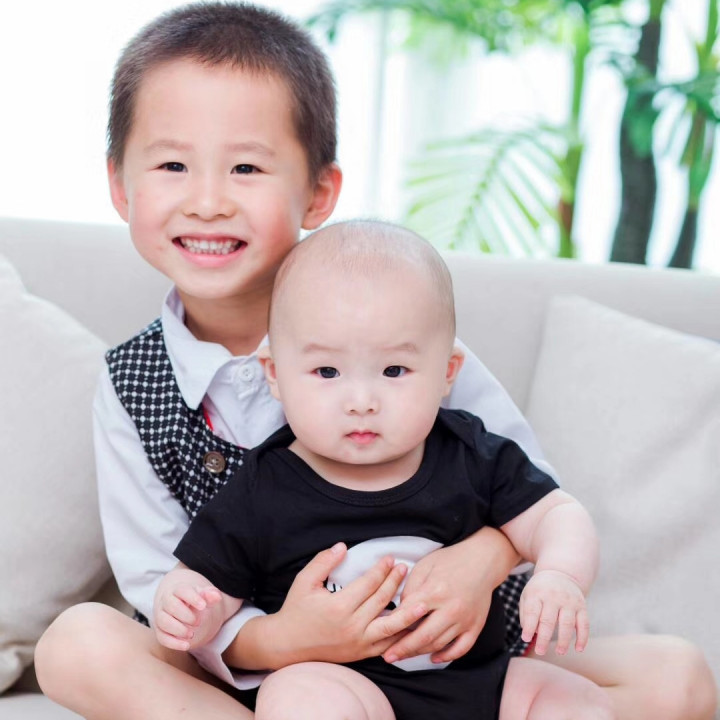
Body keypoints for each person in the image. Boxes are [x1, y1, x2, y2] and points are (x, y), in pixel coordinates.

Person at [34, 3, 716, 720]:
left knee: (680, 677)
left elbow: (528, 490)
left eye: (246, 167)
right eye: (173, 165)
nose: (208, 202)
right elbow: (158, 586)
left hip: (442, 640)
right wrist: (285, 640)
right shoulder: (133, 382)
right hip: (262, 664)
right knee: (76, 645)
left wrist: (477, 564)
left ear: (318, 192)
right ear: (121, 185)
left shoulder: (398, 319)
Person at [155, 219, 613, 720]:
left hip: (479, 683)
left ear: (447, 373)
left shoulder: (470, 453)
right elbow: (208, 579)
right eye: (327, 371)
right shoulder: (263, 484)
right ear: (275, 376)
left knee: (575, 701)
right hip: (343, 684)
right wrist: (188, 604)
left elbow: (557, 514)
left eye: (394, 371)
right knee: (299, 699)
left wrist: (560, 574)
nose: (361, 401)